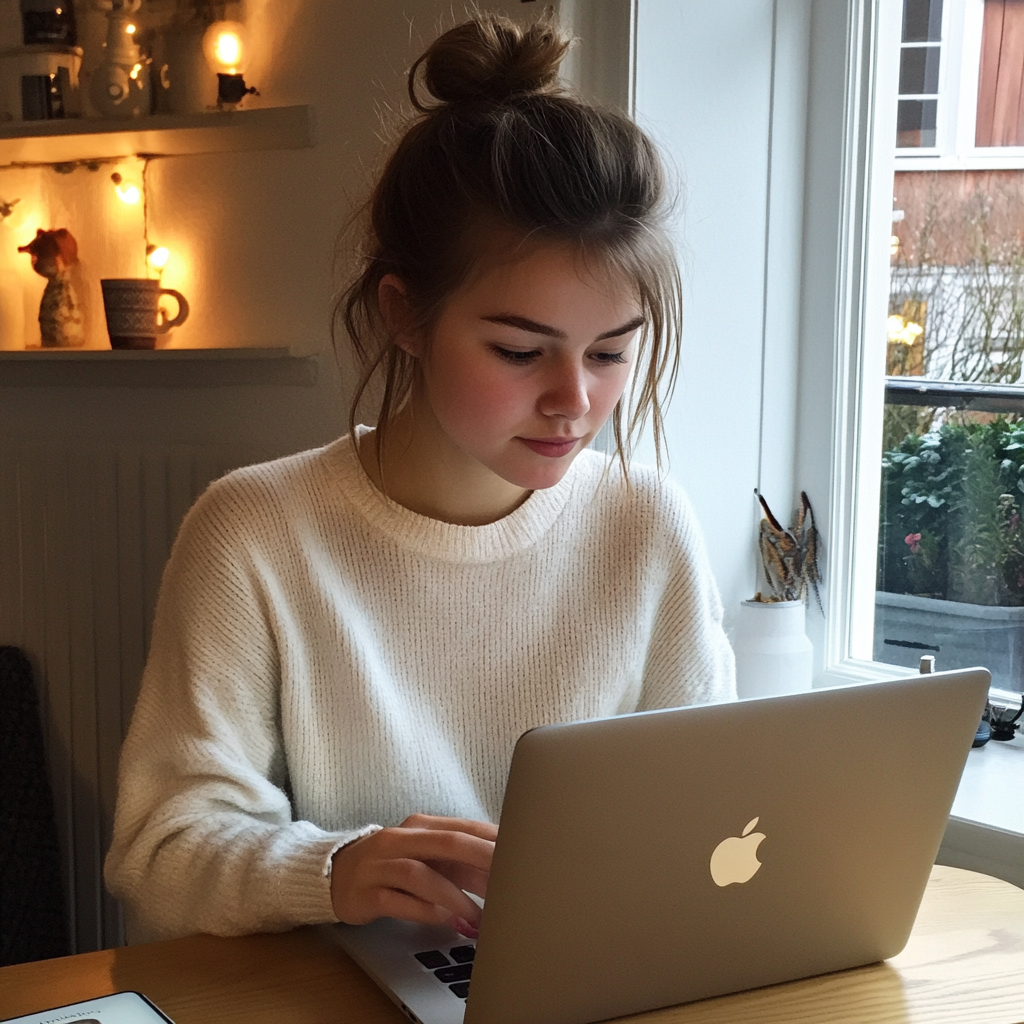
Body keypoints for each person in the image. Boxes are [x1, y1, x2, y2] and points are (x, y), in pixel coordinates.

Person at [104, 12, 735, 944]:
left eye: (610, 352)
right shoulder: (253, 532)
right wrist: (332, 871)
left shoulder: (649, 524)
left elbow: (714, 814)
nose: (575, 401)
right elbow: (161, 855)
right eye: (521, 351)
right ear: (404, 314)